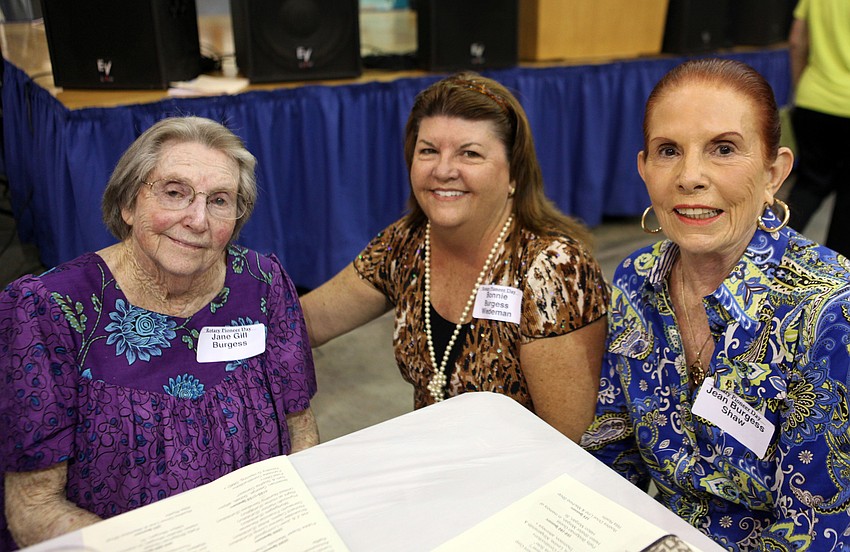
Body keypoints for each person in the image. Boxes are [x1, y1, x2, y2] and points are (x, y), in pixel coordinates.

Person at [0, 116, 318, 549]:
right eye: (174, 192)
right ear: (129, 204)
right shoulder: (49, 309)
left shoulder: (263, 284)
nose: (198, 219)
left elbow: (301, 430)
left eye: (219, 200)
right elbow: (34, 507)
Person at [581, 58, 850, 550]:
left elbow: (817, 533)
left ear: (773, 172)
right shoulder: (636, 281)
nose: (689, 177)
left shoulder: (829, 311)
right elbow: (613, 450)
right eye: (668, 151)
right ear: (644, 169)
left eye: (723, 149)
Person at [301, 72, 609, 442]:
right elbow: (307, 323)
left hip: (524, 470)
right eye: (428, 151)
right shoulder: (407, 242)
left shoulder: (552, 269)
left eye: (470, 154)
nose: (443, 170)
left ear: (513, 174)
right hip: (435, 458)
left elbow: (569, 443)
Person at [785, 0, 850, 257]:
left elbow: (796, 41)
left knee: (809, 185)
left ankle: (766, 255)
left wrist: (801, 89)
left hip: (813, 100)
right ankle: (836, 274)